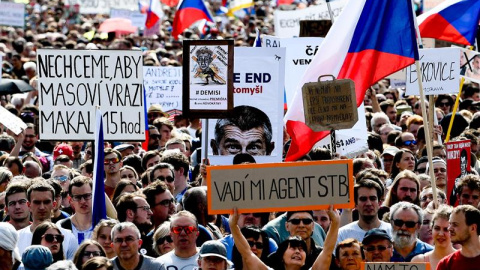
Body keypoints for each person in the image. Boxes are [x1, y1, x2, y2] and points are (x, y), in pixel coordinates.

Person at [17, 182, 78, 259]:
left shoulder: (68, 237)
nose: (42, 207)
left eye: (46, 202)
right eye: (37, 202)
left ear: (54, 204)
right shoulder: (17, 238)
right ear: (29, 205)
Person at [337, 180, 392, 244]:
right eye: (363, 199)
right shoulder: (342, 234)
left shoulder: (392, 232)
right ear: (355, 204)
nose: (368, 203)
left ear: (379, 203)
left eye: (372, 198)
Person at [412, 205, 455, 270]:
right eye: (437, 228)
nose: (440, 234)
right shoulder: (419, 261)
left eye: (446, 229)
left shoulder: (463, 260)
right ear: (431, 229)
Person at [437, 205, 480, 269]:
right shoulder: (445, 265)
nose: (449, 228)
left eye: (455, 224)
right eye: (450, 224)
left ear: (473, 228)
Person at [57, 176, 94, 244]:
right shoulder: (61, 226)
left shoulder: (103, 224)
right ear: (70, 200)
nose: (82, 201)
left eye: (87, 196)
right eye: (77, 197)